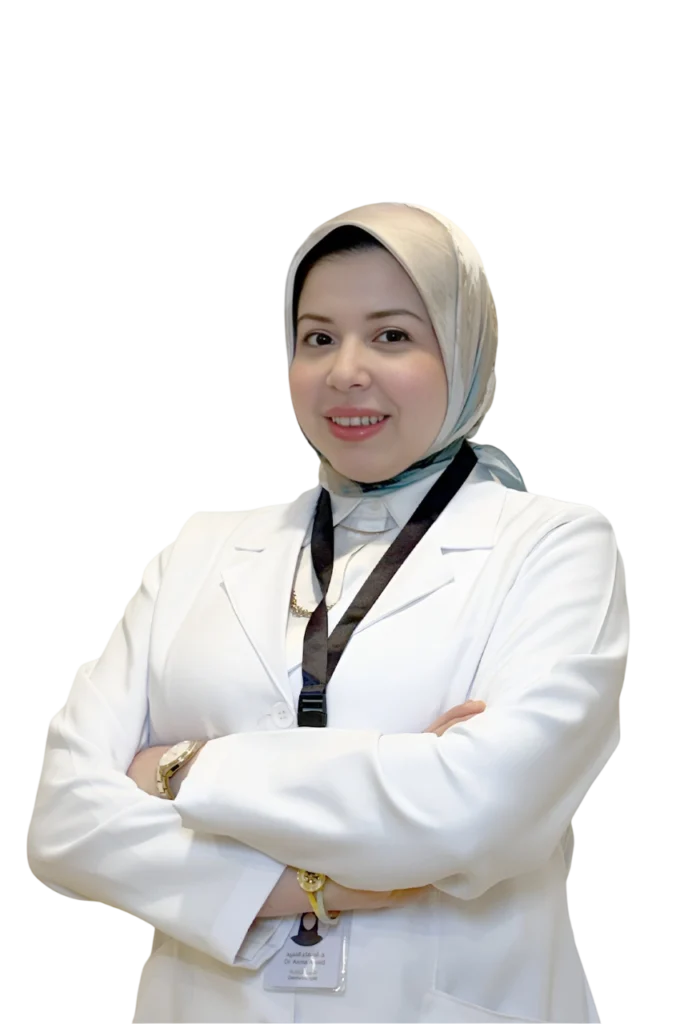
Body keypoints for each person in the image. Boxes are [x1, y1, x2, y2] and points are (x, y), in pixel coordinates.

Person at [28, 202, 630, 1024]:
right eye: (318, 337)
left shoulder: (559, 543)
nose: (346, 371)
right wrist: (303, 883)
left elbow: (477, 813)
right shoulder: (197, 545)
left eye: (392, 335)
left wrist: (179, 770)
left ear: (467, 351)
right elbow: (62, 822)